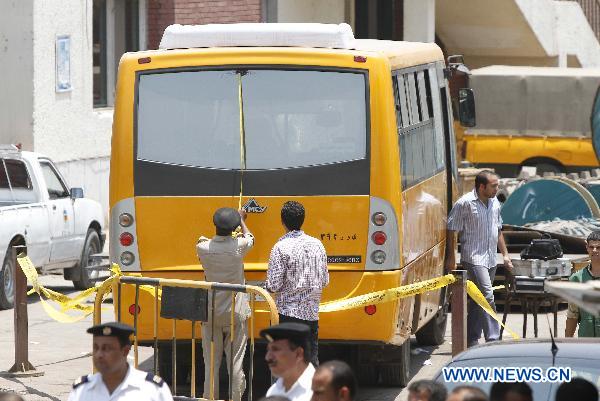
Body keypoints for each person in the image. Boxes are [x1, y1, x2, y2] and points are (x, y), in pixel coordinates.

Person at [445, 170, 512, 347]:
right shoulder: (464, 203)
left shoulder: (495, 203)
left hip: (490, 259)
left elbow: (498, 230)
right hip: (473, 259)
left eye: (497, 185)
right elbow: (452, 230)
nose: (497, 189)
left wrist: (505, 255)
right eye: (493, 186)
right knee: (487, 296)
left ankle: (471, 338)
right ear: (481, 186)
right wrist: (451, 259)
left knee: (477, 300)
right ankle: (493, 338)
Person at [196, 207, 254, 401]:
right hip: (235, 313)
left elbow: (203, 240)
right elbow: (250, 237)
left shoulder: (202, 248)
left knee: (210, 364)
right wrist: (242, 219)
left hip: (211, 312)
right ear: (234, 227)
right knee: (235, 363)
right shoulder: (239, 246)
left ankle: (209, 398)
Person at [267, 201, 329, 366]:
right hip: (312, 315)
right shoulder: (318, 245)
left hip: (289, 315)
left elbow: (273, 284)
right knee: (310, 362)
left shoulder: (280, 247)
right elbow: (324, 280)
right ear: (303, 219)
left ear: (282, 221)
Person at [67, 322, 173, 401]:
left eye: (107, 348)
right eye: (96, 348)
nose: (99, 354)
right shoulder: (82, 389)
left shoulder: (152, 389)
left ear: (125, 351)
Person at [262, 322, 315, 401]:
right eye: (268, 350)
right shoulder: (274, 391)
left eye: (275, 349)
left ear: (298, 354)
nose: (267, 357)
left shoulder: (320, 391)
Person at [566, 230, 600, 337]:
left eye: (599, 247)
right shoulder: (577, 278)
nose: (594, 250)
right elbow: (573, 315)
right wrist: (566, 343)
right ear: (587, 248)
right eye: (591, 247)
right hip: (586, 341)